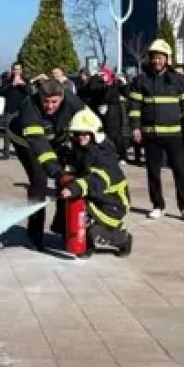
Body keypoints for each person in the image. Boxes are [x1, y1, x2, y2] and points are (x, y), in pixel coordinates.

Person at [6, 79, 85, 251]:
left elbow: (89, 125)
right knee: (39, 181)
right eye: (46, 101)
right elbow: (39, 144)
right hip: (26, 143)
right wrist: (56, 172)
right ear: (39, 97)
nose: (49, 106)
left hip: (55, 140)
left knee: (68, 179)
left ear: (62, 97)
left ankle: (61, 226)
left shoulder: (74, 103)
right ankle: (34, 236)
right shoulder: (29, 106)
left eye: (54, 102)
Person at [129, 39, 184, 222]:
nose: (157, 61)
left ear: (167, 59)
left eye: (160, 57)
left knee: (180, 171)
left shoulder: (180, 81)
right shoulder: (141, 80)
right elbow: (134, 106)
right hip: (151, 135)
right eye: (154, 57)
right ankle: (158, 205)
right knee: (153, 172)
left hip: (175, 135)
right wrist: (135, 127)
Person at [58, 109, 133, 257]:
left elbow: (96, 181)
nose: (81, 138)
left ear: (94, 134)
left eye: (85, 134)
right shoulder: (80, 150)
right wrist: (65, 178)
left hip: (112, 203)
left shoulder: (104, 156)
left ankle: (123, 239)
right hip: (94, 197)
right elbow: (73, 167)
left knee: (93, 232)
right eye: (78, 134)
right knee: (70, 210)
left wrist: (75, 187)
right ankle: (85, 244)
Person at [0, 62, 32, 158]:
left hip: (22, 110)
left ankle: (22, 152)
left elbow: (29, 92)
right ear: (12, 70)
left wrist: (23, 84)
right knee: (7, 132)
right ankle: (6, 153)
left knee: (22, 133)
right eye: (15, 69)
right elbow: (2, 92)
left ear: (21, 70)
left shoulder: (25, 80)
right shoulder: (7, 80)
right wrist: (12, 85)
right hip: (10, 109)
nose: (17, 71)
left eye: (19, 69)